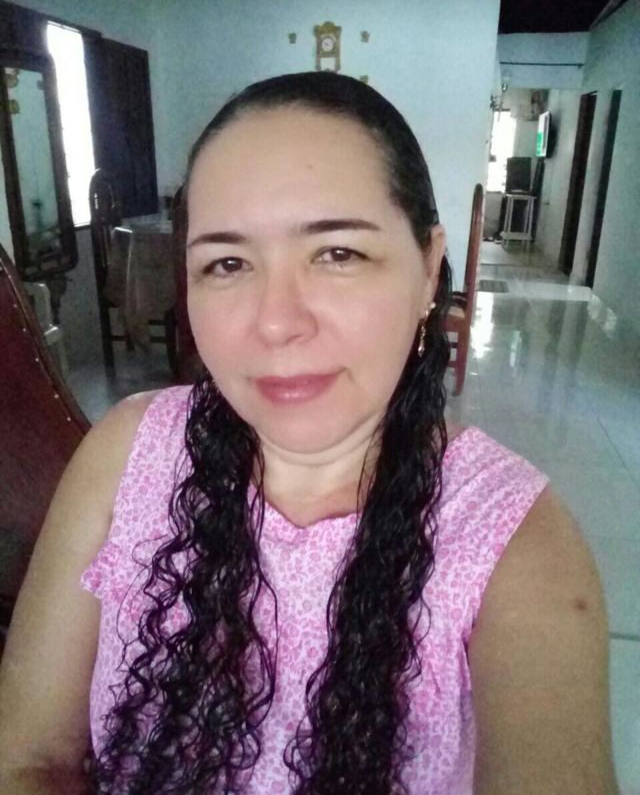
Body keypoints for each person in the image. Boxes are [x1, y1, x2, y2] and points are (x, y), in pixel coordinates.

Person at [0, 72, 618, 795]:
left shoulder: (512, 542)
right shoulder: (127, 454)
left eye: (337, 254)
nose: (276, 322)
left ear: (427, 270)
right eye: (228, 263)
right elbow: (28, 757)